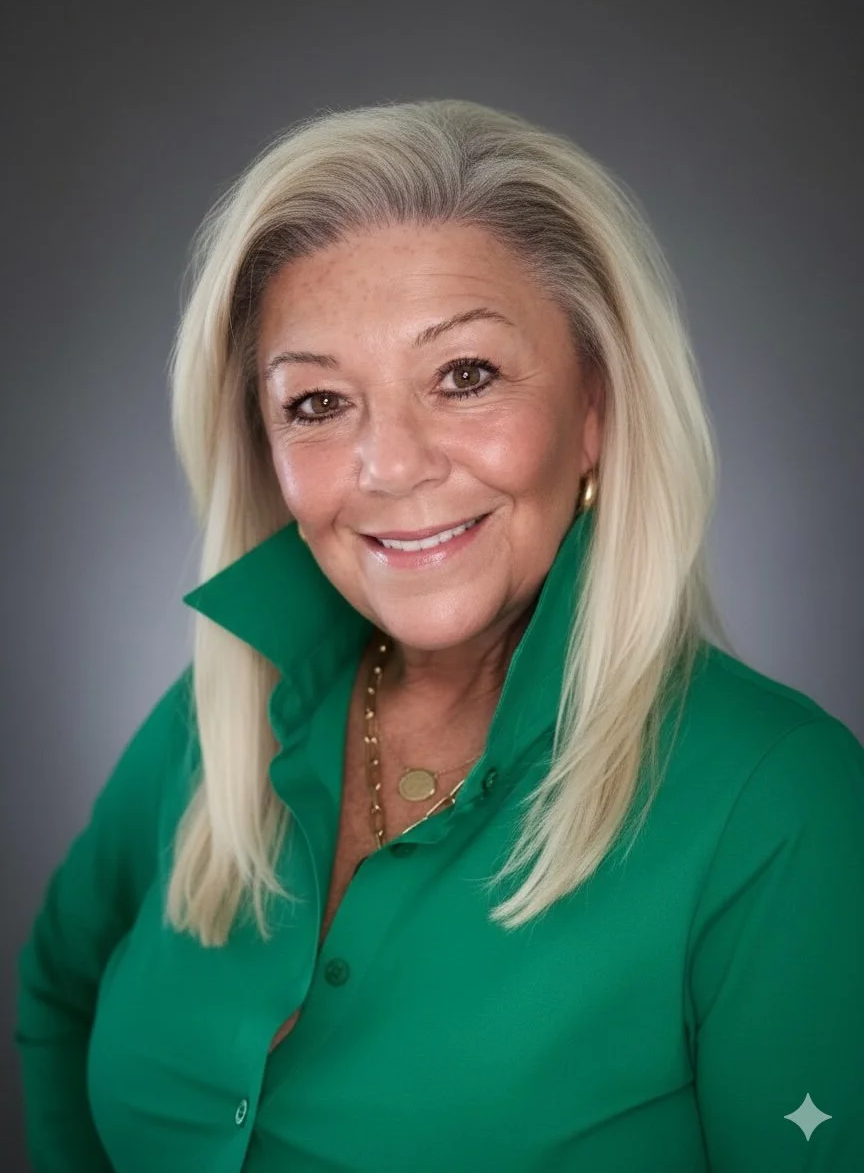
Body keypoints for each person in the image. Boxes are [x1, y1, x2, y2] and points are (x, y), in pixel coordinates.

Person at [15, 98, 864, 1173]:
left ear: (595, 406)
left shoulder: (778, 798)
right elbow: (57, 991)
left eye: (465, 376)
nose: (393, 465)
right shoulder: (217, 719)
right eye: (318, 402)